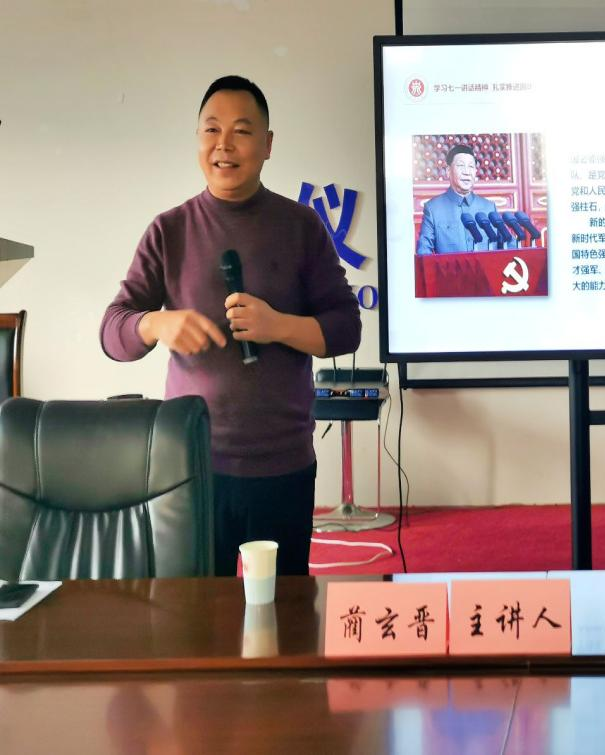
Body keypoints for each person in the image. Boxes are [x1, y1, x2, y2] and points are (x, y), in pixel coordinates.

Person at [100, 75, 361, 577]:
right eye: (211, 130)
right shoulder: (170, 230)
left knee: (282, 609)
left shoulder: (301, 226)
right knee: (194, 614)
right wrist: (156, 323)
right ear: (197, 139)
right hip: (191, 466)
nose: (224, 144)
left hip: (282, 463)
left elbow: (346, 329)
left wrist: (277, 325)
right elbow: (113, 332)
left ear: (267, 144)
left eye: (241, 131)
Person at [416, 143, 497, 254]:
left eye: (471, 167)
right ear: (448, 171)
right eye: (461, 166)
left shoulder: (489, 207)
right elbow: (423, 253)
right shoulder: (433, 209)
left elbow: (505, 246)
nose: (466, 172)